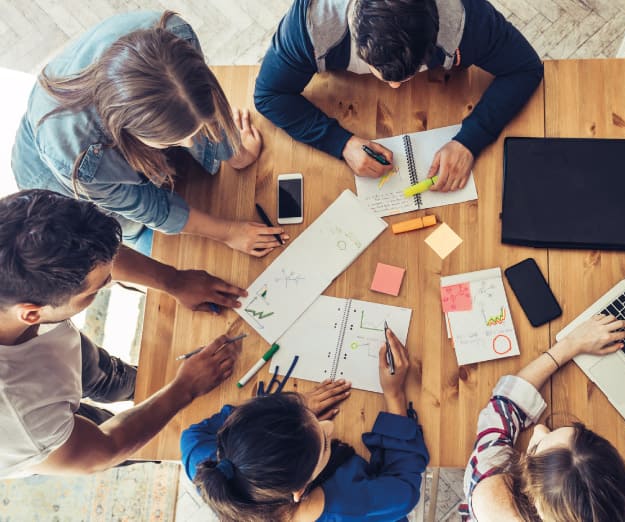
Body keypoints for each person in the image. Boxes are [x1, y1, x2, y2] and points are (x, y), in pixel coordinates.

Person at [0, 189, 245, 477]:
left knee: (108, 375)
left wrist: (174, 280)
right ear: (32, 313)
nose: (108, 282)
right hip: (39, 429)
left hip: (44, 356)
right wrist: (185, 387)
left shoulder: (15, 240)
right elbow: (103, 450)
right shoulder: (20, 415)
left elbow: (99, 258)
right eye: (97, 289)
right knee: (141, 439)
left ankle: (136, 385)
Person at [12, 11, 288, 258]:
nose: (191, 143)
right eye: (172, 141)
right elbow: (153, 210)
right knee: (141, 237)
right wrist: (229, 232)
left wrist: (234, 152)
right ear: (127, 131)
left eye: (191, 133)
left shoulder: (175, 34)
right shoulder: (83, 160)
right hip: (54, 175)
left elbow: (197, 104)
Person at [255, 0, 543, 193]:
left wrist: (471, 140)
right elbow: (268, 95)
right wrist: (340, 142)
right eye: (380, 72)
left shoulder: (468, 18)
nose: (395, 88)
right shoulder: (310, 25)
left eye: (413, 71)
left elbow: (525, 67)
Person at [462, 314, 625, 521]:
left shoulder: (488, 486)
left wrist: (570, 344)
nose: (540, 427)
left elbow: (505, 405)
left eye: (538, 447)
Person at [182, 328, 428, 521]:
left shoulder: (208, 467)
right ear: (300, 490)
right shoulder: (351, 506)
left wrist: (292, 409)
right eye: (324, 445)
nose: (328, 426)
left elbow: (190, 437)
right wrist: (395, 396)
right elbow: (404, 488)